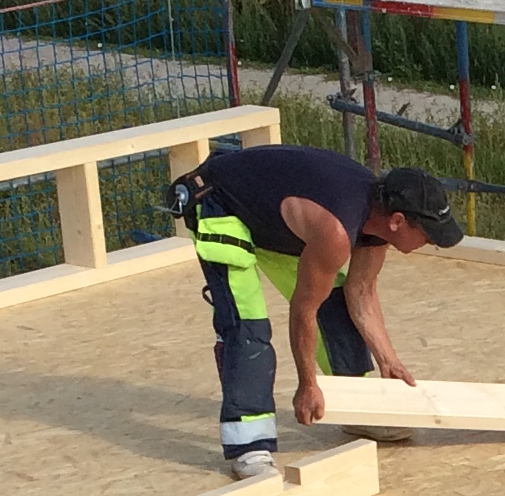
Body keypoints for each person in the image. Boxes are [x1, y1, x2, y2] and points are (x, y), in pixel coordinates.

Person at [169, 143, 460, 478]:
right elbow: (303, 310)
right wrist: (308, 384)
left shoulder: (376, 221)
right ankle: (249, 446)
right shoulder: (336, 230)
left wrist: (389, 360)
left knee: (335, 304)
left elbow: (361, 292)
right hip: (219, 203)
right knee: (247, 325)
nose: (431, 242)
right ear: (398, 221)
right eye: (428, 235)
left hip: (271, 218)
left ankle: (356, 407)